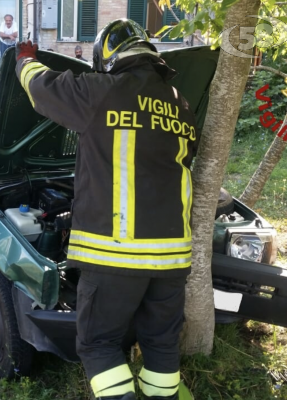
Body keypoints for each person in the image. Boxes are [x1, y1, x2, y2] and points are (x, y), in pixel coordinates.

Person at [15, 19, 195, 400]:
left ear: (108, 58)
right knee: (161, 344)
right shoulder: (180, 103)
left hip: (115, 254)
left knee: (97, 344)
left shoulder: (100, 92)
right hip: (172, 260)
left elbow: (40, 87)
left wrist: (24, 60)